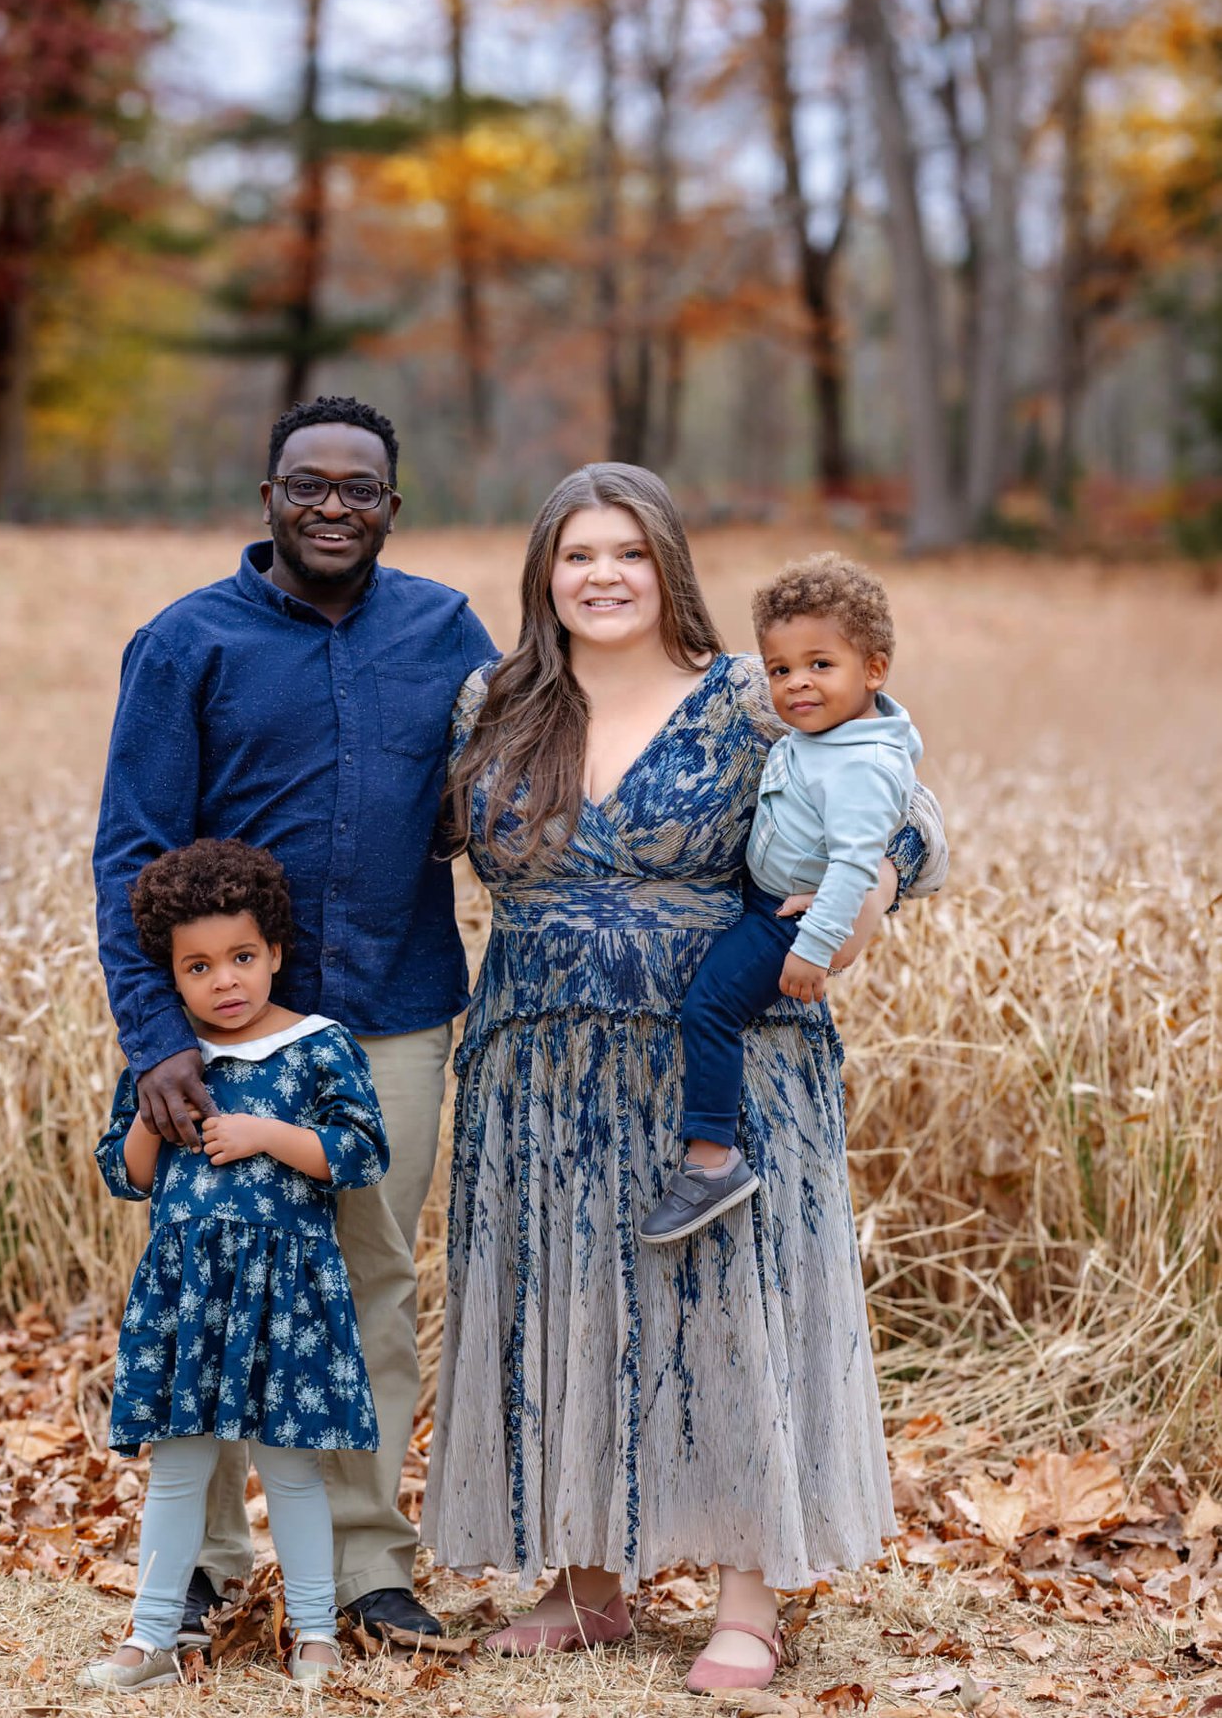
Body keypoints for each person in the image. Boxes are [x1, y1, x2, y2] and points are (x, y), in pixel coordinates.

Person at [420, 465, 946, 1696]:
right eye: (577, 554)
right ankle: (583, 1582)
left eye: (629, 553)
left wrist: (867, 891)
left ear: (668, 568)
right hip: (537, 1050)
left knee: (723, 1299)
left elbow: (907, 812)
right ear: (544, 573)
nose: (603, 575)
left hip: (721, 1050)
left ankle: (748, 1599)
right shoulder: (494, 701)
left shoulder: (753, 695)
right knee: (562, 1294)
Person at [92, 394, 496, 1644]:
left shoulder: (445, 630)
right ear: (268, 497)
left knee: (373, 1278)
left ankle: (370, 1566)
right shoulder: (186, 644)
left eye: (357, 487)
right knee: (213, 1275)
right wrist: (157, 1040)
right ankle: (203, 1564)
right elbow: (132, 851)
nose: (332, 504)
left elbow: (519, 776)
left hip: (394, 1013)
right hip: (220, 1034)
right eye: (307, 483)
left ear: (392, 504)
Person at [80, 839, 388, 1692]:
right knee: (178, 1466)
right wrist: (153, 1112)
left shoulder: (318, 1045)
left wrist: (266, 1135)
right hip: (190, 1292)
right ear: (172, 977)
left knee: (289, 1466)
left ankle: (316, 1632)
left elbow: (361, 1151)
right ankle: (150, 1636)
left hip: (286, 1294)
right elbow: (125, 1175)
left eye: (242, 957)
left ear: (276, 952)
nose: (225, 981)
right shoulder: (168, 1058)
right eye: (199, 966)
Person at [640, 552, 922, 1246]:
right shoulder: (827, 737)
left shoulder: (860, 763)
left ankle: (711, 1160)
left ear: (873, 670)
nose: (796, 682)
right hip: (768, 900)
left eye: (820, 664)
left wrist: (815, 947)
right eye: (779, 669)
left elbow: (855, 862)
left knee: (711, 1006)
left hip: (789, 921)